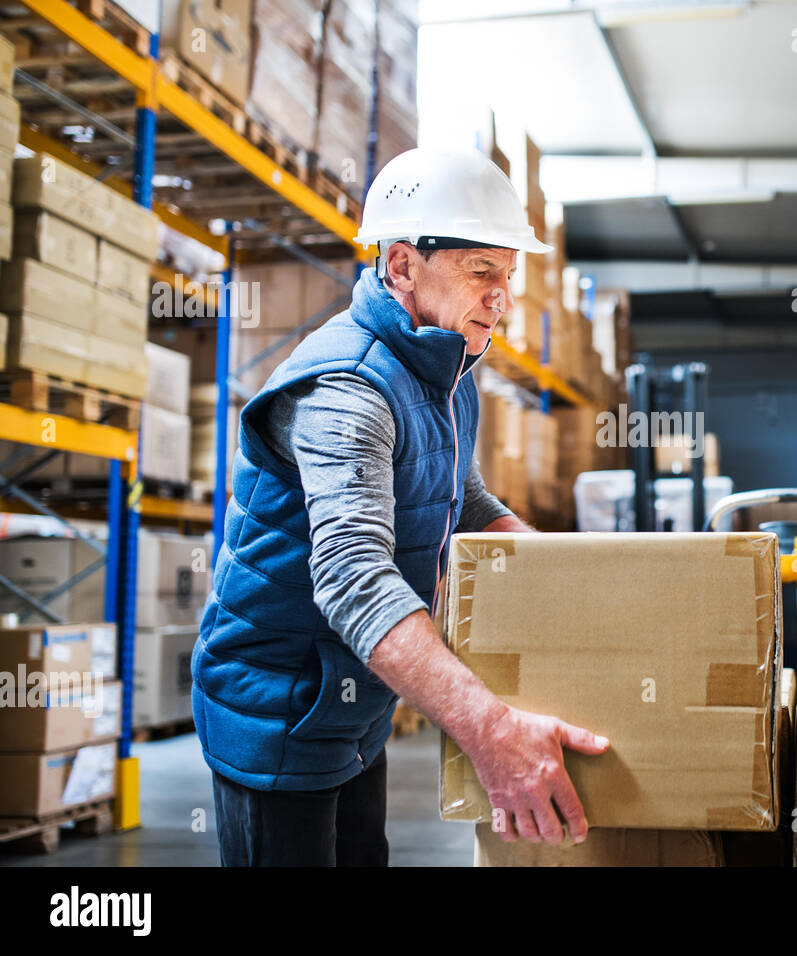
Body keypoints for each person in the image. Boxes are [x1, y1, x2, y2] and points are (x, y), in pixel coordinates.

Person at [192, 148, 608, 866]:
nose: (501, 300)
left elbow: (462, 498)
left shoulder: (448, 371)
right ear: (403, 267)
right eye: (483, 273)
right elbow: (354, 578)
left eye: (508, 277)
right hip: (277, 709)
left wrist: (571, 585)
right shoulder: (346, 389)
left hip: (352, 700)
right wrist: (489, 730)